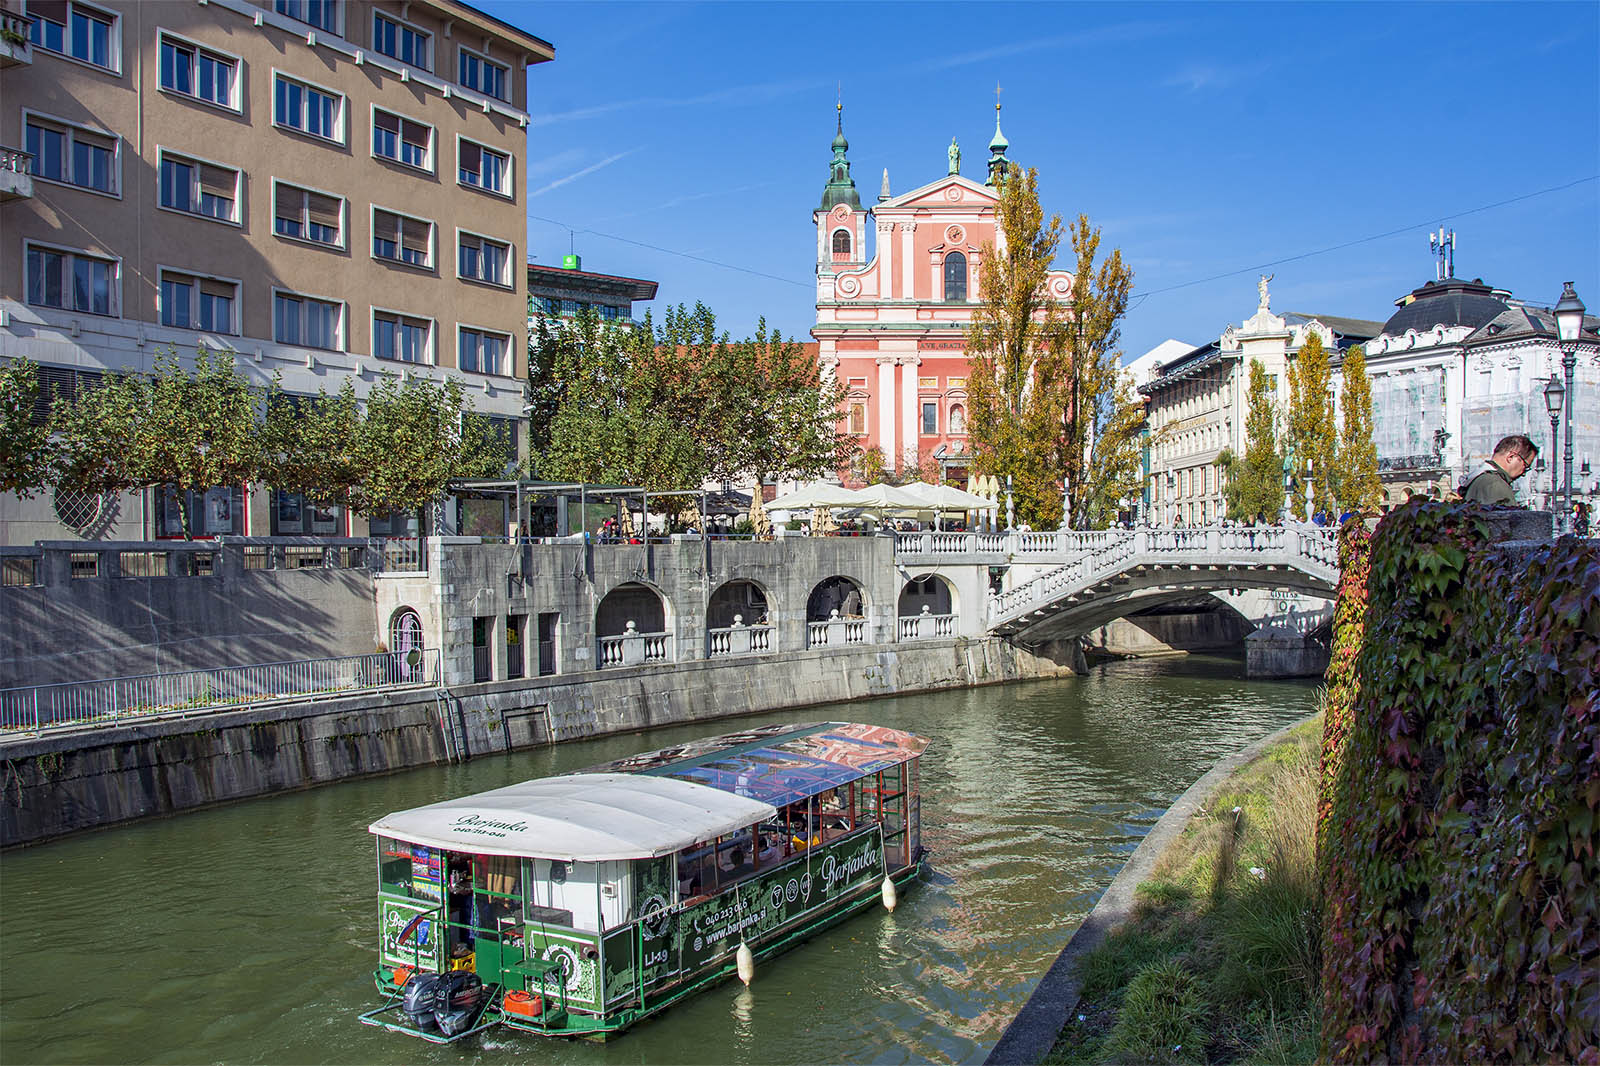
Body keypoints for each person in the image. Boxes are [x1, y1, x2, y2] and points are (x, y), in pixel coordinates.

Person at [1463, 435, 1537, 506]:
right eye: (1526, 466)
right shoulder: (1495, 484)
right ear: (1511, 457)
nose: (1523, 474)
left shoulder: (1480, 478)